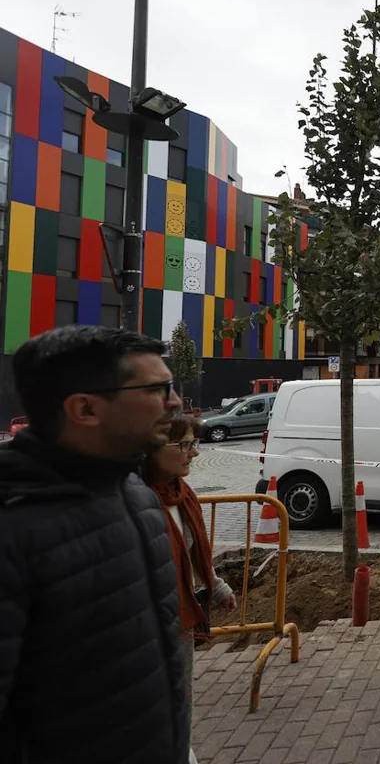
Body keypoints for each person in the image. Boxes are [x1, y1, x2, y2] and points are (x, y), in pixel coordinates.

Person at [0, 325, 189, 763]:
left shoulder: (135, 493)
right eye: (157, 389)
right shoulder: (13, 525)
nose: (175, 402)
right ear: (85, 408)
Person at [142, 414, 237, 764]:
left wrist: (218, 588)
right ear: (150, 449)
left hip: (178, 621)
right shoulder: (132, 502)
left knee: (178, 701)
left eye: (194, 444)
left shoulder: (182, 495)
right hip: (144, 628)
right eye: (184, 444)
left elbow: (194, 555)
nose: (193, 453)